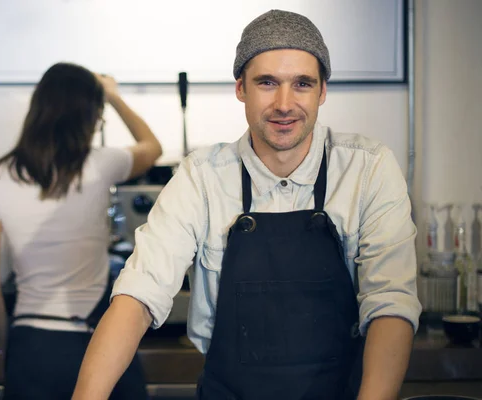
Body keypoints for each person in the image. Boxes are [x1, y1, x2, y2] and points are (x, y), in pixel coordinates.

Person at [72, 9, 421, 400]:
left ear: (323, 91)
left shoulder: (368, 169)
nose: (284, 104)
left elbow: (390, 304)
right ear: (241, 88)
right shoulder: (202, 177)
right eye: (267, 83)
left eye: (302, 84)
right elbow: (138, 295)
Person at [0, 62, 161, 399]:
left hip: (31, 345)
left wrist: (10, 342)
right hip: (97, 341)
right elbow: (151, 146)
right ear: (89, 116)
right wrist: (114, 96)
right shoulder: (101, 163)